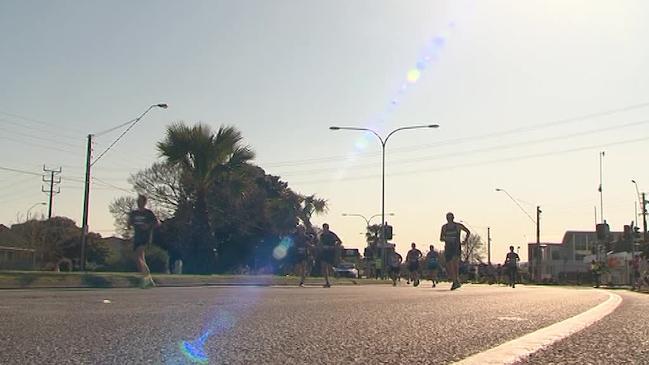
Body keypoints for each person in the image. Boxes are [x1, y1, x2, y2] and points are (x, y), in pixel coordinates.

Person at [128, 195, 159, 288]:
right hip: (137, 237)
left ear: (144, 202)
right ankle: (149, 280)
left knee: (138, 256)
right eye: (138, 201)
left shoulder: (148, 213)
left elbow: (157, 223)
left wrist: (148, 226)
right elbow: (130, 222)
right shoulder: (134, 213)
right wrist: (129, 225)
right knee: (139, 259)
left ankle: (146, 279)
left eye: (141, 201)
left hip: (145, 237)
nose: (138, 202)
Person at [440, 212, 470, 290]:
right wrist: (448, 239)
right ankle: (456, 280)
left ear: (453, 218)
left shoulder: (458, 226)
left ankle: (455, 281)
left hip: (456, 247)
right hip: (448, 248)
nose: (449, 219)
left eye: (451, 217)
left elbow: (468, 231)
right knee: (449, 265)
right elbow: (441, 238)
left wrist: (465, 241)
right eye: (448, 217)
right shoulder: (444, 227)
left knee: (455, 264)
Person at [319, 223, 342, 288]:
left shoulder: (332, 235)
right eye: (324, 228)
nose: (324, 229)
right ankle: (327, 282)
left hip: (331, 252)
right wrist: (321, 247)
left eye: (326, 228)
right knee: (323, 266)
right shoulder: (322, 235)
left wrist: (334, 246)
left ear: (328, 228)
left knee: (329, 266)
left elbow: (339, 241)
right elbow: (320, 243)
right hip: (324, 252)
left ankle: (335, 273)